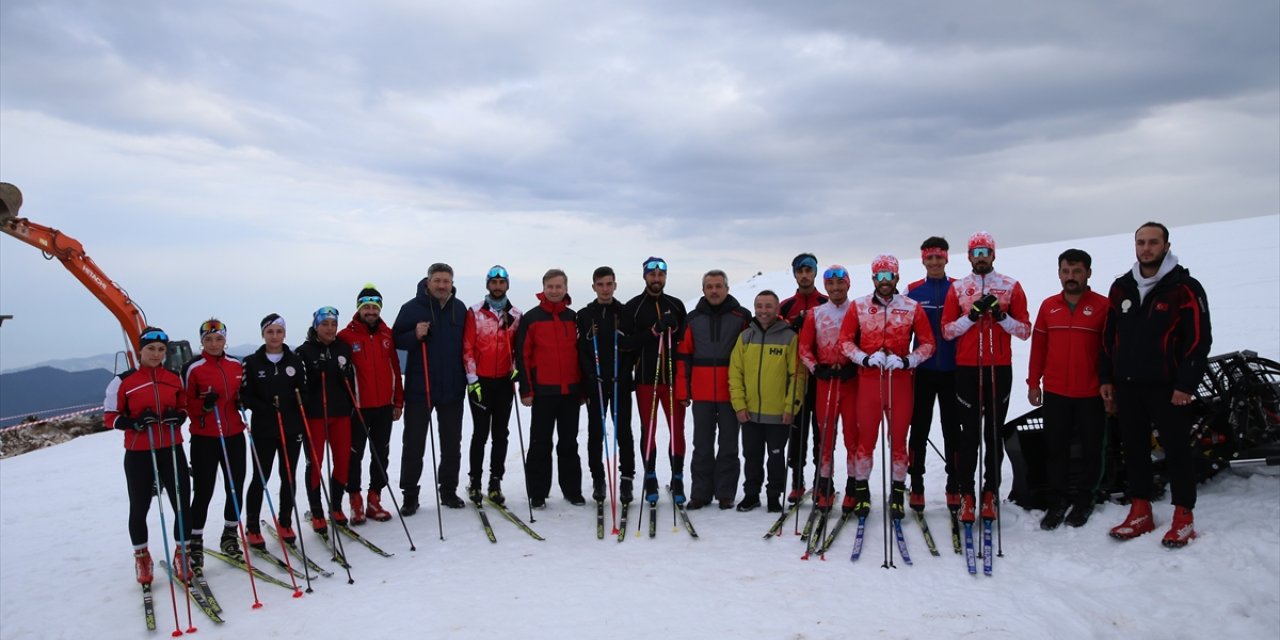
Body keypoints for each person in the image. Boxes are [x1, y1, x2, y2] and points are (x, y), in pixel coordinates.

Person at [1101, 222, 1211, 548]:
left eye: (1153, 242)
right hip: (1128, 386)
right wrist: (1107, 378)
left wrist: (1186, 384)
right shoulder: (1122, 287)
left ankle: (1183, 515)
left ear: (1166, 245)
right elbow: (1109, 340)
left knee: (1177, 451)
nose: (1146, 248)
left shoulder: (1184, 287)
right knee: (1134, 450)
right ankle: (1141, 509)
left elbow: (1198, 341)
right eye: (1141, 243)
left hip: (1169, 389)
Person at [941, 232, 1031, 525]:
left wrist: (1001, 316)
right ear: (969, 256)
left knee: (993, 433)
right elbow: (947, 331)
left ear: (993, 255)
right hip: (967, 368)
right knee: (969, 437)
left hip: (998, 367)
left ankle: (990, 492)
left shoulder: (1010, 286)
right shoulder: (959, 288)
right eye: (975, 252)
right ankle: (968, 495)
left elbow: (1024, 330)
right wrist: (971, 317)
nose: (981, 256)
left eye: (986, 251)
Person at [839, 255, 935, 519]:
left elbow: (928, 344)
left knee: (898, 443)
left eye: (889, 275)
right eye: (879, 276)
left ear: (897, 277)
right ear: (873, 278)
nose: (884, 281)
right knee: (865, 441)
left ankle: (897, 493)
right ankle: (861, 492)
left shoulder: (912, 307)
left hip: (900, 382)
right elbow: (845, 342)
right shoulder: (858, 306)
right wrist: (865, 357)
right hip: (869, 382)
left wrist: (907, 360)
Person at [1027, 249, 1110, 530]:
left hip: (1091, 393)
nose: (1070, 277)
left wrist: (1111, 386)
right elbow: (1039, 347)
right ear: (1059, 273)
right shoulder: (1049, 306)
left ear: (1088, 272)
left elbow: (1111, 351)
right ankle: (1057, 502)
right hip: (1056, 391)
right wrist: (1032, 383)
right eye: (1065, 271)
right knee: (1056, 450)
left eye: (1076, 271)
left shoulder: (1103, 306)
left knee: (1091, 449)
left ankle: (1085, 500)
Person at [104, 327, 193, 584]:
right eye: (151, 349)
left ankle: (182, 553)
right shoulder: (123, 381)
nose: (156, 354)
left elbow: (183, 405)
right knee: (140, 506)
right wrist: (134, 422)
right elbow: (110, 417)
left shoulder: (174, 378)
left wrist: (181, 415)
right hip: (139, 452)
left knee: (181, 504)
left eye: (161, 350)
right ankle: (142, 557)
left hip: (171, 448)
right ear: (140, 350)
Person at [392, 263, 469, 512]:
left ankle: (448, 491)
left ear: (452, 283)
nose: (441, 285)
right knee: (414, 444)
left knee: (451, 444)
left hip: (452, 388)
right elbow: (396, 340)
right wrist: (414, 335)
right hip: (419, 387)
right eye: (437, 280)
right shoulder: (412, 308)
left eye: (446, 281)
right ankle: (410, 495)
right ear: (428, 282)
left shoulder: (459, 309)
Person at [676, 270, 750, 510]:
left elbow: (750, 357)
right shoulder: (693, 318)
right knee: (702, 445)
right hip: (702, 392)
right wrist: (682, 390)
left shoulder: (742, 317)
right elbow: (684, 356)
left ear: (727, 288)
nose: (714, 291)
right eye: (710, 287)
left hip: (731, 393)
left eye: (719, 286)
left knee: (729, 445)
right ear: (704, 290)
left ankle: (726, 493)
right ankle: (700, 493)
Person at [730, 290, 806, 513]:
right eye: (759, 306)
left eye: (768, 306)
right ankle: (751, 495)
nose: (763, 310)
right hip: (750, 412)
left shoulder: (789, 337)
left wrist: (791, 407)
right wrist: (739, 405)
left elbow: (798, 375)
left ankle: (774, 495)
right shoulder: (745, 337)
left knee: (775, 458)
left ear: (777, 309)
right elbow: (735, 373)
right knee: (752, 456)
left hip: (778, 414)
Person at [180, 318, 246, 569]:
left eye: (219, 339)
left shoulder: (235, 364)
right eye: (209, 340)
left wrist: (241, 402)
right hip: (205, 437)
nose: (214, 343)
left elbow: (240, 393)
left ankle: (230, 535)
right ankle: (195, 541)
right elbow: (184, 402)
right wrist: (203, 406)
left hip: (233, 434)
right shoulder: (192, 368)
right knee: (204, 490)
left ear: (225, 340)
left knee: (235, 486)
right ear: (202, 342)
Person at [515, 269, 584, 507]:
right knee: (540, 443)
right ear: (543, 288)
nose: (554, 291)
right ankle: (537, 492)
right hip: (543, 392)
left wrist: (583, 389)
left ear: (566, 288)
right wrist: (526, 389)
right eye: (550, 287)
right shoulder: (531, 318)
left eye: (559, 287)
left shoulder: (573, 318)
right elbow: (522, 356)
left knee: (569, 443)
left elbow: (582, 356)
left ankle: (572, 490)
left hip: (570, 392)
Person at [623, 257, 689, 504]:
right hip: (645, 379)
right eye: (652, 274)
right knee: (648, 430)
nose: (656, 279)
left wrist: (675, 331)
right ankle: (650, 475)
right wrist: (653, 331)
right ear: (644, 276)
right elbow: (625, 344)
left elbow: (685, 342)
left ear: (665, 277)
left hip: (672, 379)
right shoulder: (633, 307)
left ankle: (678, 476)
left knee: (677, 429)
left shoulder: (677, 305)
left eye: (661, 275)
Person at [337, 284, 404, 524]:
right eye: (366, 307)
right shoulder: (345, 336)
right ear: (359, 308)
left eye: (374, 307)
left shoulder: (387, 334)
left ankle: (374, 498)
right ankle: (355, 500)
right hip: (358, 407)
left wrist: (398, 400)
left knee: (380, 453)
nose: (370, 311)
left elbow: (395, 368)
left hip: (384, 406)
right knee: (354, 454)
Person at [240, 313, 307, 547]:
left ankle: (285, 521)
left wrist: (295, 402)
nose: (275, 336)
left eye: (279, 331)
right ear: (263, 334)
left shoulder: (295, 360)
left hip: (291, 426)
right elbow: (245, 395)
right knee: (261, 476)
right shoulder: (251, 361)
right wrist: (265, 406)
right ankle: (252, 526)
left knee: (288, 475)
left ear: (285, 334)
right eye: (270, 332)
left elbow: (303, 388)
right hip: (264, 428)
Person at [905, 237, 961, 513]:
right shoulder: (913, 291)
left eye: (939, 257)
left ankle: (954, 485)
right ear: (923, 260)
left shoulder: (959, 288)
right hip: (923, 372)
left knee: (953, 430)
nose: (935, 262)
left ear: (946, 258)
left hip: (954, 372)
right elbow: (902, 331)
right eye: (930, 258)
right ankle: (916, 484)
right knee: (919, 429)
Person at [797, 265, 859, 512]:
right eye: (831, 284)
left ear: (848, 283)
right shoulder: (816, 313)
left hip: (850, 382)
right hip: (825, 382)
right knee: (825, 438)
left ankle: (854, 484)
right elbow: (804, 348)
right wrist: (816, 368)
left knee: (852, 437)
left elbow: (865, 342)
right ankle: (825, 484)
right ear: (825, 286)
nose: (835, 288)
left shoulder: (858, 309)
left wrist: (854, 366)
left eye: (840, 283)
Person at [577, 266, 637, 504]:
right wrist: (591, 377)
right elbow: (581, 350)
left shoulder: (624, 312)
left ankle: (627, 479)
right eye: (600, 284)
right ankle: (598, 478)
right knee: (596, 433)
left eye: (609, 284)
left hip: (620, 382)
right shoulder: (584, 314)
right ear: (593, 287)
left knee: (624, 431)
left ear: (615, 285)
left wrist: (624, 374)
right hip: (597, 383)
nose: (605, 289)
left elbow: (632, 348)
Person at [463, 266, 522, 504]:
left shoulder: (516, 315)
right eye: (494, 282)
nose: (498, 286)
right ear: (488, 284)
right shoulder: (475, 312)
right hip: (481, 382)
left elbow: (519, 347)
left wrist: (516, 368)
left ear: (507, 285)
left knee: (501, 434)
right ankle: (475, 482)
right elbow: (467, 347)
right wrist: (472, 379)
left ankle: (495, 482)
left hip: (504, 382)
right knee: (480, 433)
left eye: (501, 282)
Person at [296, 307, 357, 531]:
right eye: (325, 324)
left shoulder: (343, 347)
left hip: (341, 413)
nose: (330, 328)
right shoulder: (304, 351)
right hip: (315, 415)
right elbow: (299, 386)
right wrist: (314, 377)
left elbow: (351, 377)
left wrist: (345, 376)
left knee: (342, 461)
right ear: (316, 326)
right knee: (316, 463)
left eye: (333, 324)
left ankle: (336, 506)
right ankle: (316, 511)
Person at [779, 253, 827, 502]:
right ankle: (797, 481)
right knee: (796, 433)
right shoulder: (786, 305)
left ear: (815, 272)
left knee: (821, 432)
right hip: (796, 377)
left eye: (809, 270)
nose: (804, 275)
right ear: (795, 274)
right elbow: (775, 334)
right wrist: (792, 324)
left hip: (821, 376)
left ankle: (822, 481)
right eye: (800, 271)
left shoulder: (826, 301)